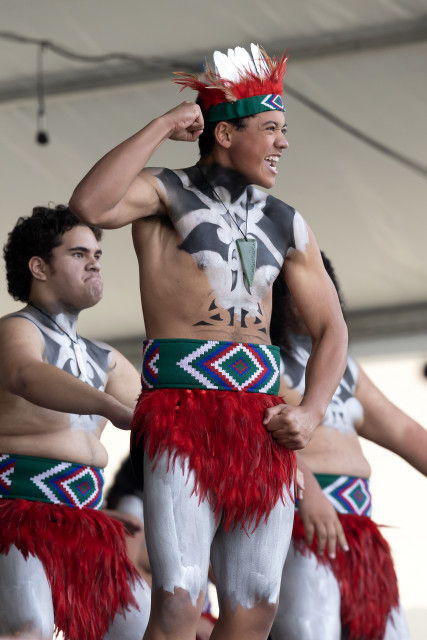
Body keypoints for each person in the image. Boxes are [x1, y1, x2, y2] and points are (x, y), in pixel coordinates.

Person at [69, 43, 348, 640]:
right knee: (179, 599)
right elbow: (88, 205)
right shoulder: (165, 192)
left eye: (283, 130)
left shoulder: (288, 221)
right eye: (271, 129)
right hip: (181, 413)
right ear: (225, 134)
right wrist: (163, 125)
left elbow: (332, 328)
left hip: (260, 422)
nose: (283, 143)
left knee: (256, 606)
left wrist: (311, 410)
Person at [0, 206, 150, 640]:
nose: (94, 263)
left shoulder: (105, 357)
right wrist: (111, 407)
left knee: (140, 629)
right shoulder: (15, 330)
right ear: (39, 267)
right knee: (27, 628)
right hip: (16, 514)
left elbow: (165, 415)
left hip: (85, 521)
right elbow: (25, 375)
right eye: (79, 253)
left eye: (97, 255)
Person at [269, 253, 427, 640]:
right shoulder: (261, 360)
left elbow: (405, 432)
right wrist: (308, 493)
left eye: (323, 283)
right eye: (299, 286)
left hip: (360, 531)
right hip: (298, 521)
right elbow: (256, 433)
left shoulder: (347, 368)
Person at [105, 454, 217, 640]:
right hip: (162, 612)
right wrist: (190, 617)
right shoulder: (133, 506)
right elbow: (127, 572)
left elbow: (210, 569)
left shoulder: (190, 508)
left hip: (192, 612)